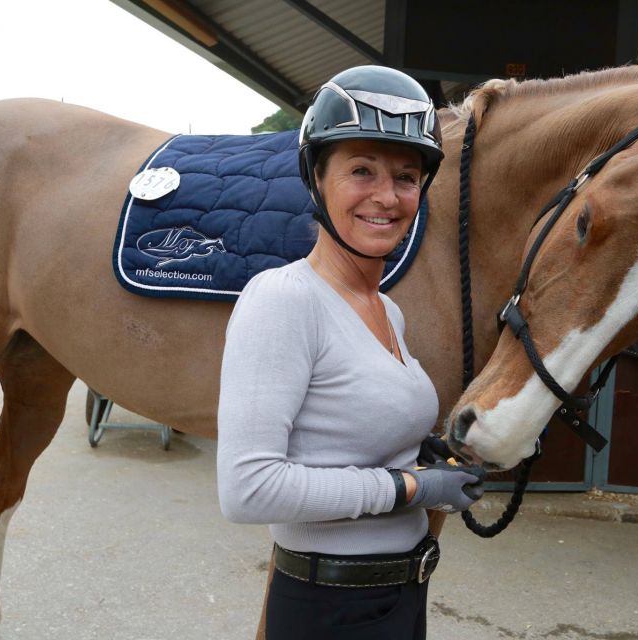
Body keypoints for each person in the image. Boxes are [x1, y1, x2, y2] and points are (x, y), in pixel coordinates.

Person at [216, 65, 486, 640]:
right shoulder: (284, 299)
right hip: (329, 609)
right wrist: (412, 488)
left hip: (400, 595)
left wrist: (438, 456)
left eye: (407, 177)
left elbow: (353, 435)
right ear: (317, 177)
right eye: (361, 171)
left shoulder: (387, 309)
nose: (386, 197)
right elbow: (248, 489)